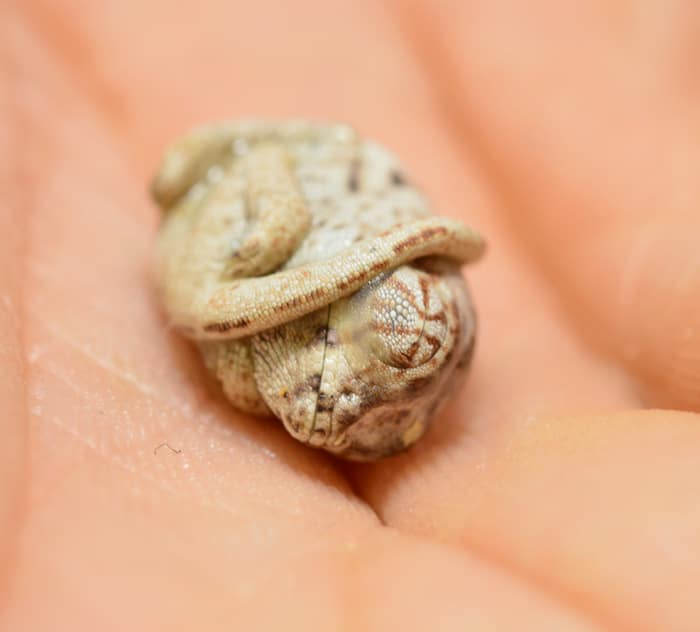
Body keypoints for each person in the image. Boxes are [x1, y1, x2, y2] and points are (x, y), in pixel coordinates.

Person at [1, 1, 698, 629]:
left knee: (274, 260)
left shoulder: (318, 359)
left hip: (311, 292)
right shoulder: (293, 250)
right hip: (301, 259)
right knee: (276, 233)